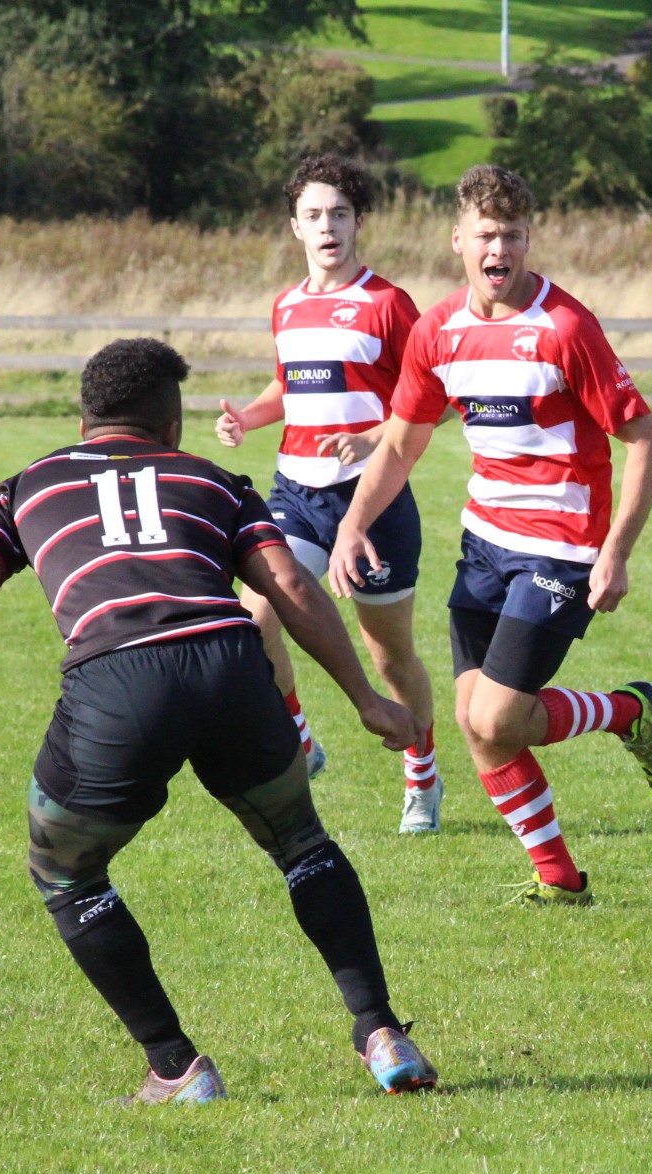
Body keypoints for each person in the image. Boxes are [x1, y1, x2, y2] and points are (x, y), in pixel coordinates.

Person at [0, 338, 437, 1102]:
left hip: (118, 682)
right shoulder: (215, 482)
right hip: (232, 668)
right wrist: (366, 698)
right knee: (301, 843)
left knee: (65, 871)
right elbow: (292, 586)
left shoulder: (24, 488)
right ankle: (381, 1032)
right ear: (172, 427)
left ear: (84, 420)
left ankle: (175, 1066)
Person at [326, 164, 652, 906]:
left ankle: (628, 711)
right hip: (484, 541)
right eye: (486, 234)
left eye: (512, 235)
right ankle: (562, 880)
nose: (500, 248)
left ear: (527, 240)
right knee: (476, 723)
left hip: (562, 546)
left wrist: (615, 553)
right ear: (458, 239)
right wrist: (352, 524)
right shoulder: (438, 331)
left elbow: (647, 441)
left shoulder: (566, 327)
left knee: (495, 716)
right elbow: (401, 443)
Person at [215, 154, 443, 835]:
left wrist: (376, 438)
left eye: (339, 214)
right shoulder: (286, 306)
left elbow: (433, 399)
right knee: (254, 619)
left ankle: (422, 774)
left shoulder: (388, 304)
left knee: (388, 656)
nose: (327, 226)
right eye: (313, 215)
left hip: (373, 502)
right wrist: (249, 418)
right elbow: (289, 386)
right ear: (295, 227)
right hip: (297, 493)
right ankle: (301, 741)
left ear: (358, 222)